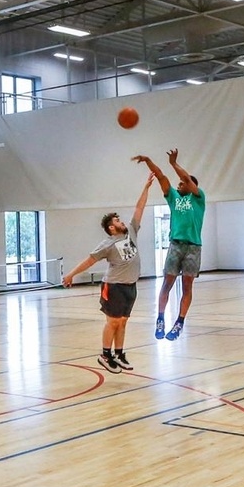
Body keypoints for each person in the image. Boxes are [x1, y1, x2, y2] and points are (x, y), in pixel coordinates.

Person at [62, 175, 155, 373]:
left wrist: (146, 187)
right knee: (112, 322)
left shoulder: (131, 231)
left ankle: (119, 354)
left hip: (131, 286)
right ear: (111, 228)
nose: (121, 221)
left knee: (123, 322)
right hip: (114, 287)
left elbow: (139, 208)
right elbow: (89, 260)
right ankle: (105, 355)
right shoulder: (107, 245)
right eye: (117, 220)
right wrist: (71, 275)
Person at [132, 149, 206, 341]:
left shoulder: (198, 199)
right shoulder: (174, 197)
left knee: (187, 286)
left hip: (193, 247)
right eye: (179, 183)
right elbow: (162, 177)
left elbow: (185, 178)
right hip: (176, 245)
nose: (179, 184)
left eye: (183, 183)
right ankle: (160, 318)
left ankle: (179, 322)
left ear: (192, 186)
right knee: (167, 283)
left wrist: (174, 164)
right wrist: (148, 160)